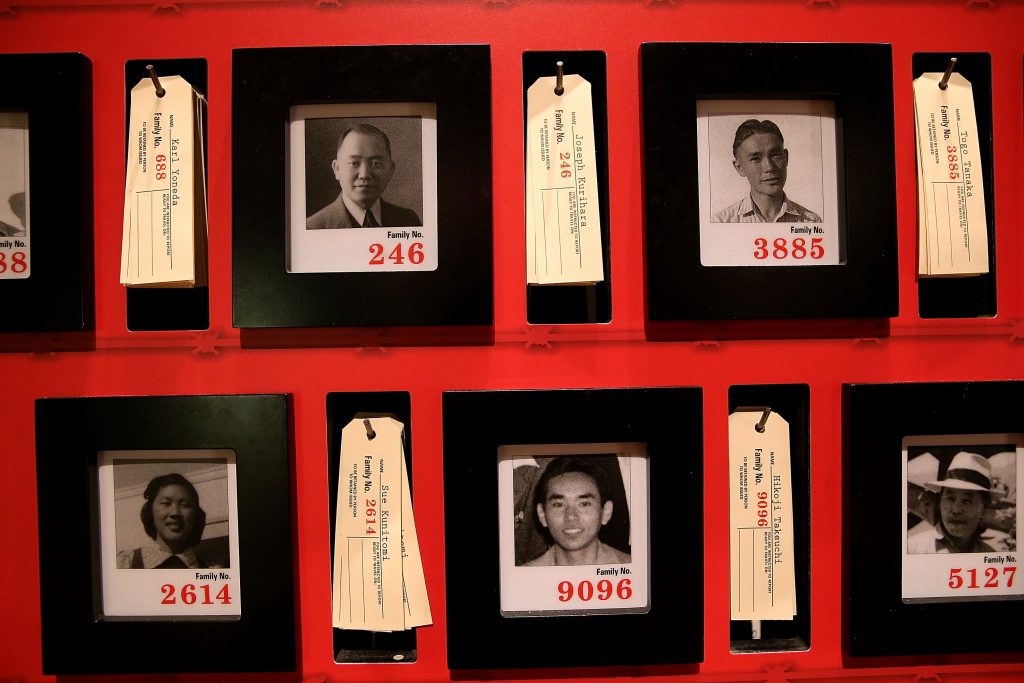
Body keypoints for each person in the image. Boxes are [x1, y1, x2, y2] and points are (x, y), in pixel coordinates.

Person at [306, 124, 421, 230]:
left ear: (390, 170)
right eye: (354, 163)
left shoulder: (409, 221)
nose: (365, 175)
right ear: (337, 169)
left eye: (376, 164)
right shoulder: (313, 227)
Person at [525, 457, 631, 566]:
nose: (571, 516)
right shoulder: (525, 577)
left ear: (606, 512)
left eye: (584, 504)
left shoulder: (632, 570)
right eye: (558, 505)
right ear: (542, 514)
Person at [713, 119, 822, 224]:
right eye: (755, 158)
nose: (769, 167)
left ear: (786, 158)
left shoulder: (811, 222)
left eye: (776, 155)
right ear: (739, 168)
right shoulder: (721, 221)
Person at [907, 451, 1012, 554]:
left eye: (967, 501)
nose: (956, 510)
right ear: (940, 501)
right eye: (950, 498)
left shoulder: (990, 555)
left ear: (984, 508)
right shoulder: (913, 550)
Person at [117, 473, 216, 569]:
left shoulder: (209, 572)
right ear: (150, 511)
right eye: (166, 503)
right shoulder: (125, 564)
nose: (175, 513)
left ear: (195, 515)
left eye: (185, 505)